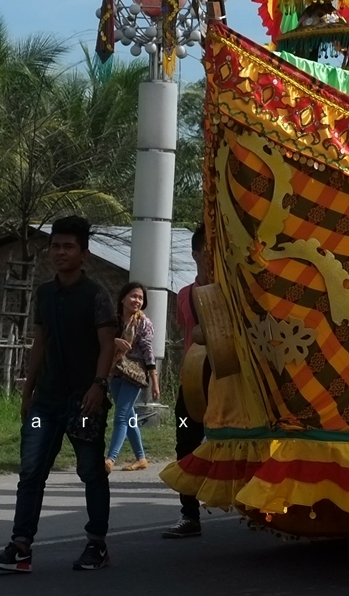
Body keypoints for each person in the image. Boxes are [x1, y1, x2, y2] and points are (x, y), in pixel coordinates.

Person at [0, 215, 117, 574]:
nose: (60, 252)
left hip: (85, 400)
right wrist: (27, 391)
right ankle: (20, 548)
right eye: (55, 246)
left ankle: (97, 545)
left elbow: (108, 346)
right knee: (31, 472)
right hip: (47, 398)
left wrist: (97, 385)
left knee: (91, 472)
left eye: (68, 246)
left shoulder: (96, 296)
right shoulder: (44, 293)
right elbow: (39, 343)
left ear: (84, 253)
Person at [165, 223, 213, 539]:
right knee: (186, 443)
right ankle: (189, 515)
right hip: (194, 382)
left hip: (228, 381)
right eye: (207, 253)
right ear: (195, 254)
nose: (212, 259)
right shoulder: (186, 295)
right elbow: (192, 328)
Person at [105, 281, 158, 472]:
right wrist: (114, 341)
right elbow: (99, 340)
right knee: (129, 416)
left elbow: (147, 351)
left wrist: (154, 381)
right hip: (115, 370)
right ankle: (141, 458)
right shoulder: (112, 321)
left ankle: (110, 459)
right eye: (134, 296)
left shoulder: (144, 322)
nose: (137, 300)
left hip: (134, 373)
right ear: (123, 298)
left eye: (141, 298)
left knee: (120, 416)